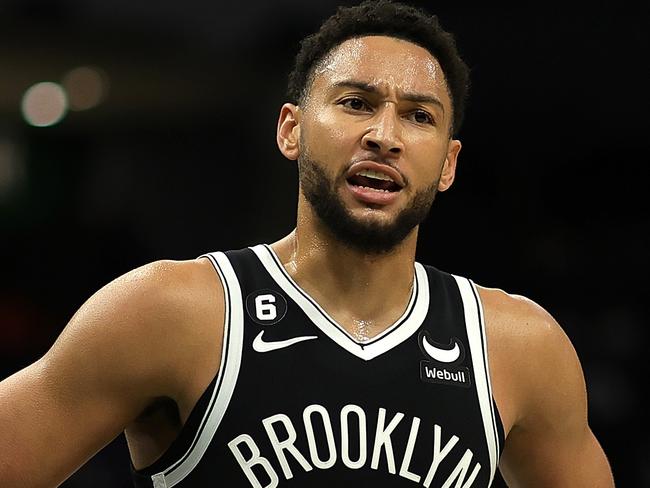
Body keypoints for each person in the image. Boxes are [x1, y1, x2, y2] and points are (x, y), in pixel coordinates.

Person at [0, 1, 615, 487]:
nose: (384, 135)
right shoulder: (171, 312)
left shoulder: (520, 347)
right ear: (291, 130)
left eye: (420, 116)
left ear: (448, 164)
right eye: (356, 103)